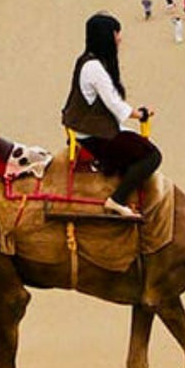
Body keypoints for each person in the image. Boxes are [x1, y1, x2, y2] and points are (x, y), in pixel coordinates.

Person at [61, 12, 162, 218]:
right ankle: (116, 200)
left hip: (94, 127)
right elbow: (115, 104)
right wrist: (140, 113)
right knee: (152, 156)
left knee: (132, 143)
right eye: (116, 33)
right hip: (93, 134)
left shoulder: (89, 61)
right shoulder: (94, 68)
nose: (119, 38)